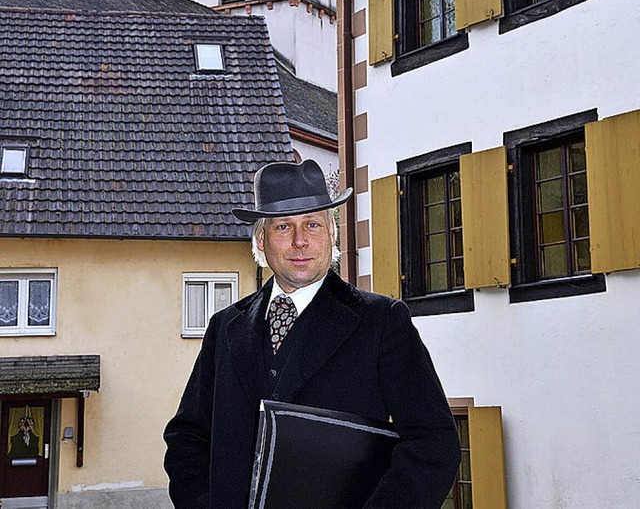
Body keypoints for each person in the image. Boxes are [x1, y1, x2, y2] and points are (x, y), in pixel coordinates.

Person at [163, 159, 461, 508]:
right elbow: (186, 437)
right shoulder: (225, 327)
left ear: (332, 234)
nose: (300, 241)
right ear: (261, 241)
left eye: (313, 225)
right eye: (283, 227)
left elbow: (433, 444)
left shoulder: (383, 322)